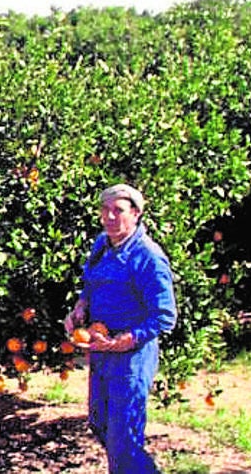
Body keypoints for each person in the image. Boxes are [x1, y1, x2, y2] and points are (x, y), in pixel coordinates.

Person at [63, 183, 177, 474]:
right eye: (105, 210)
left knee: (123, 440)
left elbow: (164, 316)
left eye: (119, 210)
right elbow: (90, 284)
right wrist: (80, 306)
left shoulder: (148, 257)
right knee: (99, 423)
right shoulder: (102, 244)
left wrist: (126, 341)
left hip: (131, 357)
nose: (111, 217)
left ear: (136, 214)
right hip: (102, 350)